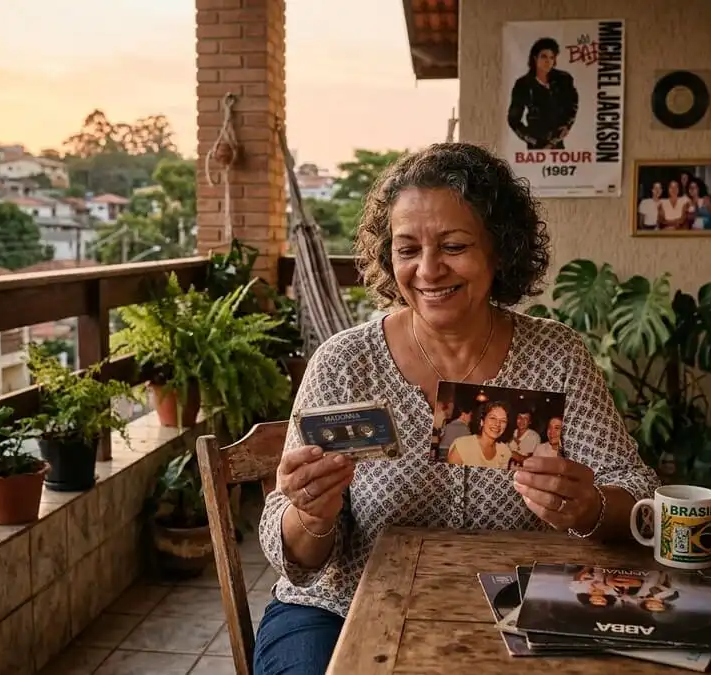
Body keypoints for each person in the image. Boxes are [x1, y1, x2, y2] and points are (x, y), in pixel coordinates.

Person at [253, 142, 661, 674]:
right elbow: (289, 552)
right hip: (339, 609)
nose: (428, 269)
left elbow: (639, 493)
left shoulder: (556, 356)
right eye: (407, 249)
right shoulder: (345, 363)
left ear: (500, 249)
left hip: (515, 610)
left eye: (454, 245)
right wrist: (311, 515)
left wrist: (590, 508)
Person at [507, 37, 579, 150]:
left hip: (557, 142)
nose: (548, 61)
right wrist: (533, 140)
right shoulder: (523, 84)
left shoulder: (563, 79)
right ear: (535, 58)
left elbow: (572, 104)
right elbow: (513, 120)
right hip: (535, 145)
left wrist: (567, 125)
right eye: (544, 56)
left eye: (551, 57)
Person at [447, 400, 513, 468]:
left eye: (503, 421)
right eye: (493, 418)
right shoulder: (462, 445)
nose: (498, 424)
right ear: (482, 421)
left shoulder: (504, 451)